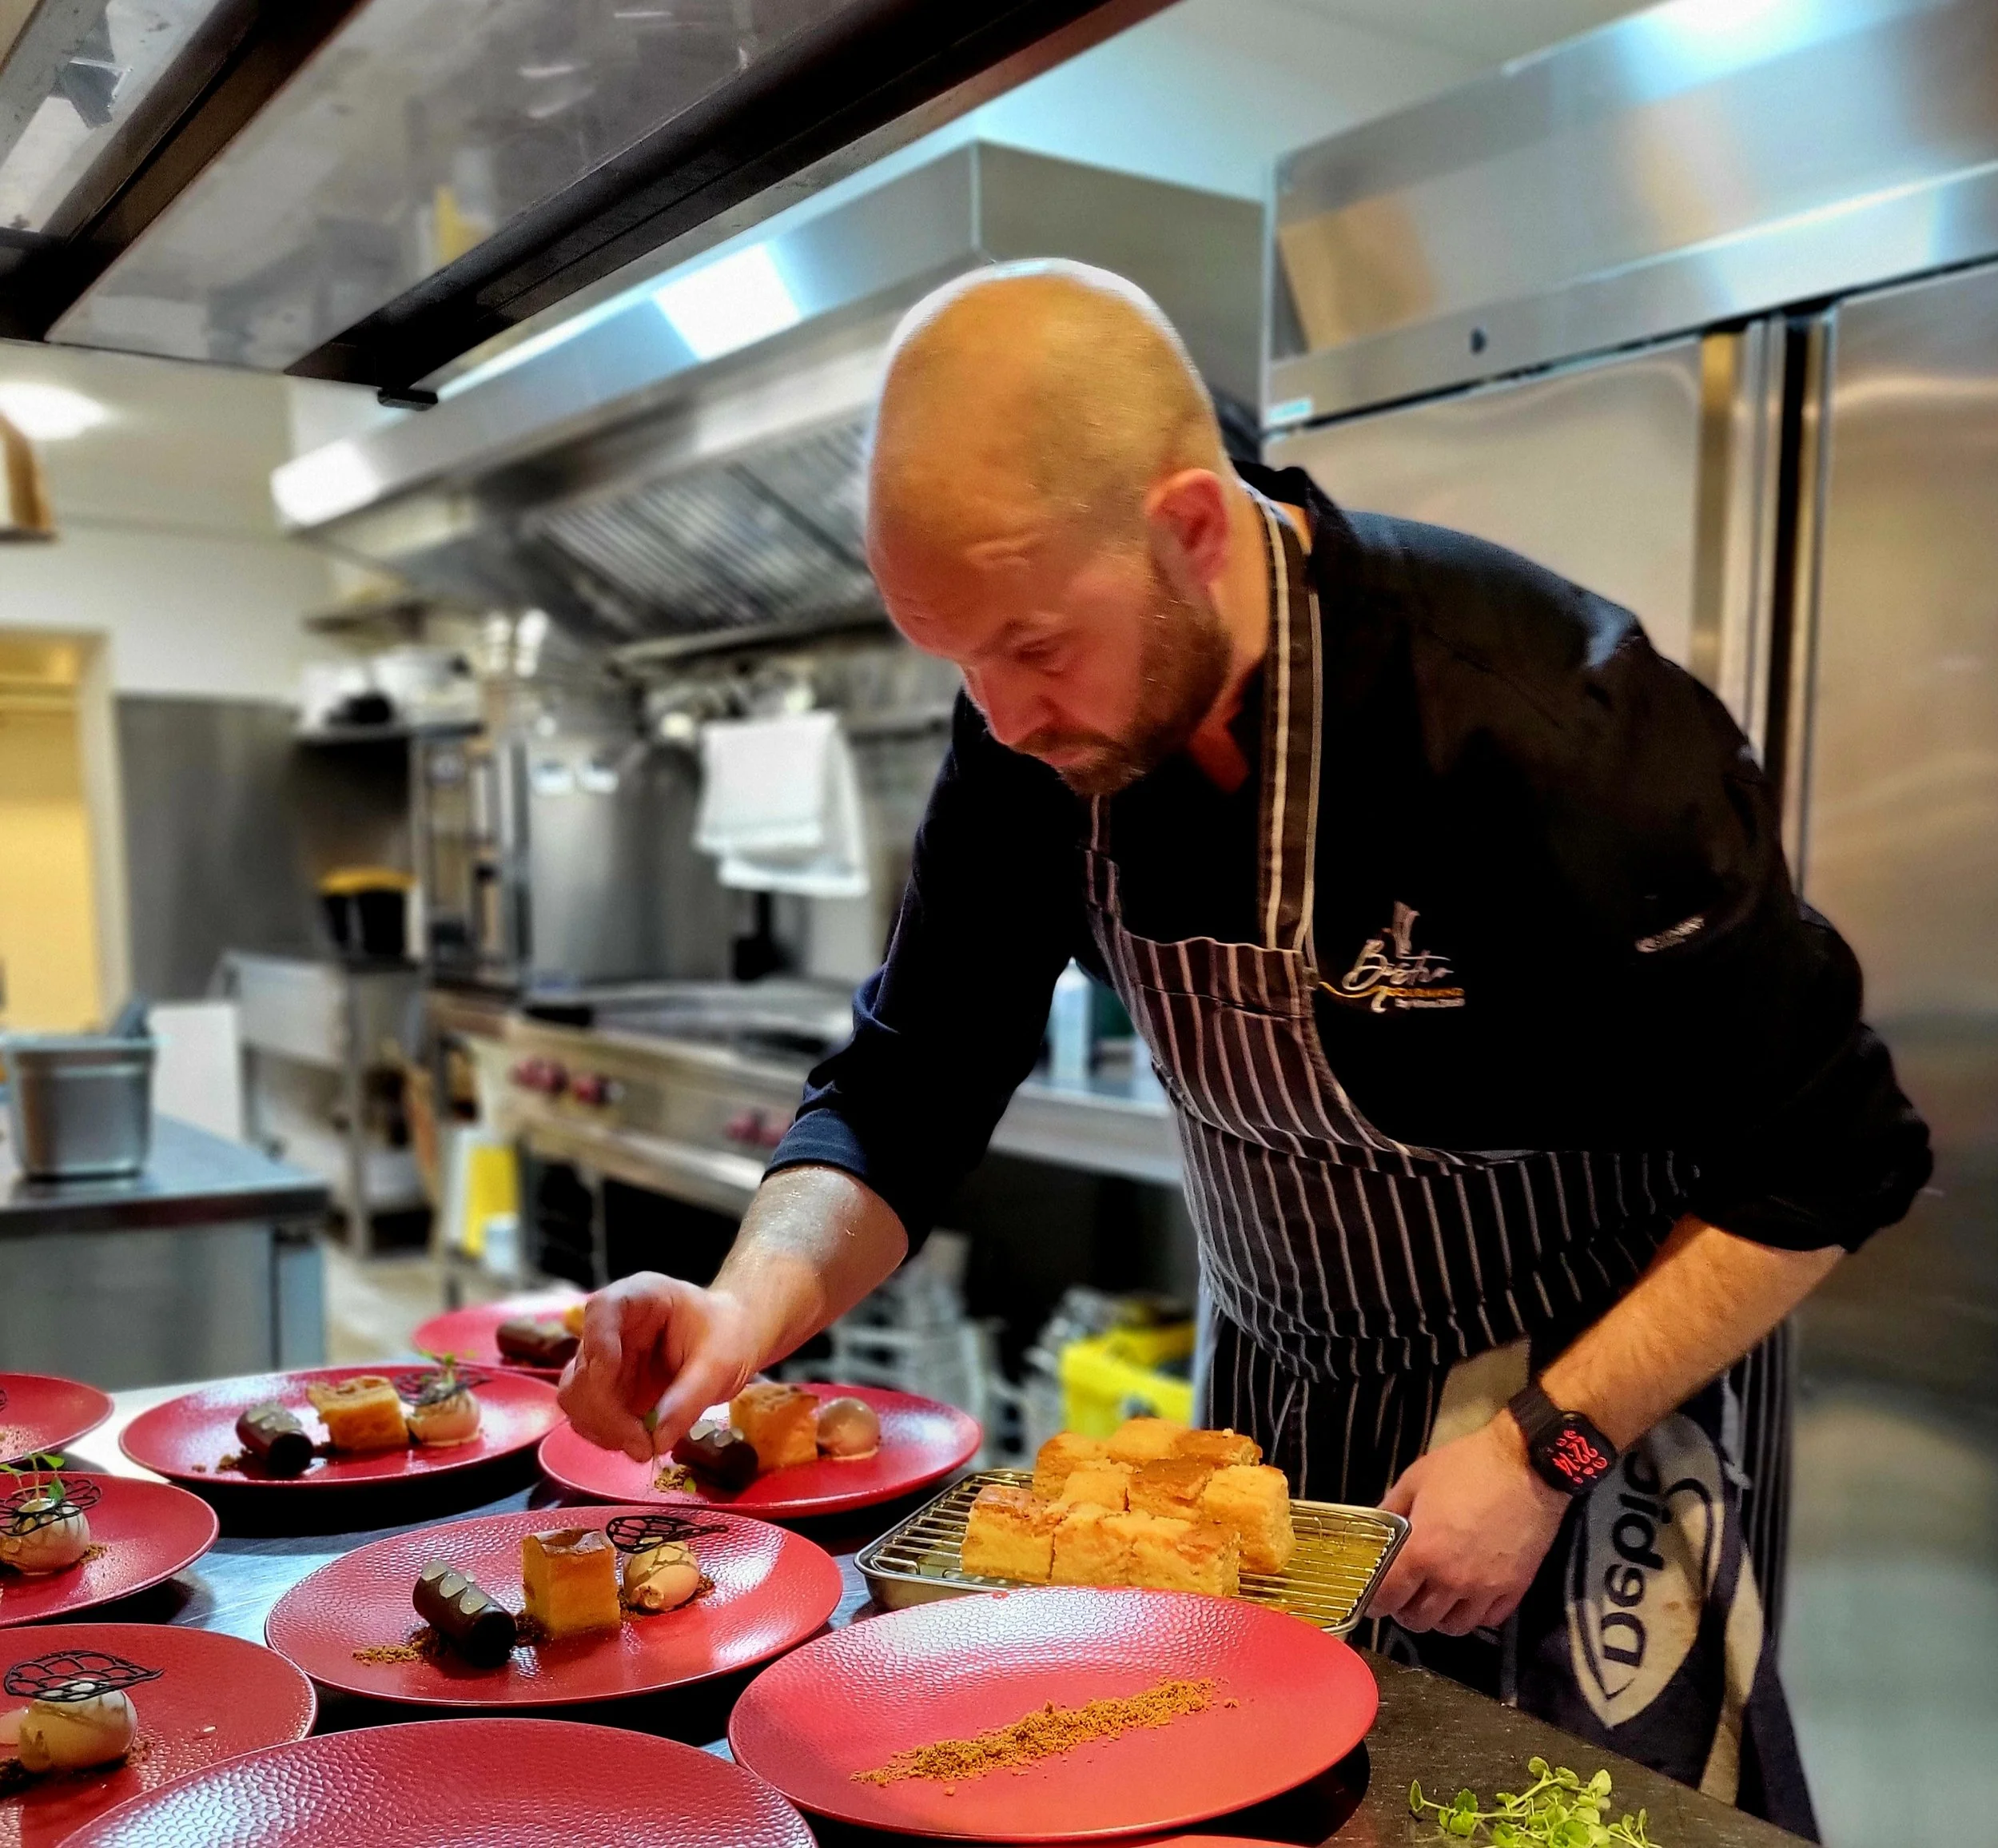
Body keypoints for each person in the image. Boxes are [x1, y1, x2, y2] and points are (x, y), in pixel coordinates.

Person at [560, 262, 1930, 1834]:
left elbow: (1832, 1156)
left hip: (1574, 1421)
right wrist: (743, 1308)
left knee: (1569, 1817)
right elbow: (911, 1078)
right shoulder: (1029, 729)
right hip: (1268, 1410)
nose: (1002, 719)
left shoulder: (1548, 731)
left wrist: (1543, 1450)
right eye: (961, 665)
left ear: (1194, 530)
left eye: (1033, 648)